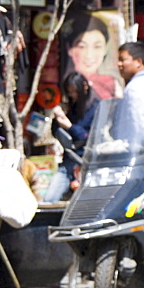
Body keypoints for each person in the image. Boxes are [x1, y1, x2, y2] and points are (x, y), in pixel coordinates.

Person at [43, 72, 100, 202]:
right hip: (69, 162)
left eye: (75, 92)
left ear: (84, 87)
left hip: (88, 163)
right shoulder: (71, 107)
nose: (73, 96)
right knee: (50, 199)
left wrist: (70, 126)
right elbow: (56, 133)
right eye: (70, 93)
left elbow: (89, 136)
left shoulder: (96, 108)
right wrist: (57, 119)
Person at [62, 13, 117, 99]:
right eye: (82, 46)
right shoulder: (65, 82)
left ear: (105, 49)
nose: (89, 55)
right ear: (69, 49)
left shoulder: (111, 83)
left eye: (97, 46)